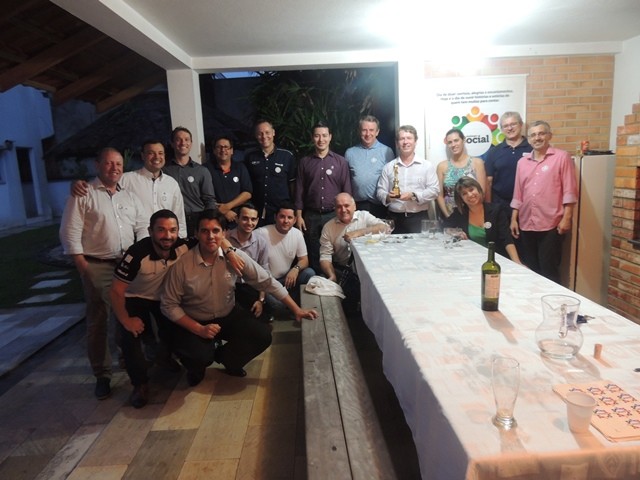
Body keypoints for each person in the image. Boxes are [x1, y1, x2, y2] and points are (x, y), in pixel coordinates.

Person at [160, 209, 318, 385]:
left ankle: (227, 360)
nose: (210, 236)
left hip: (226, 313)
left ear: (224, 234)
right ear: (196, 233)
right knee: (199, 356)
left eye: (216, 231)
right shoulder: (182, 266)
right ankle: (197, 367)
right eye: (204, 231)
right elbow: (168, 305)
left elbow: (266, 281)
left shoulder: (235, 257)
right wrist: (199, 329)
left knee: (262, 334)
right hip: (196, 319)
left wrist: (296, 309)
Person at [59, 147, 147, 400]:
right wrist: (83, 266)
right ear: (97, 165)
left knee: (126, 316)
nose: (114, 168)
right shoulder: (83, 193)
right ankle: (102, 374)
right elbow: (69, 232)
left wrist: (140, 253)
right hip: (97, 264)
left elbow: (142, 225)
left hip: (126, 265)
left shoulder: (128, 196)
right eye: (109, 163)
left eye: (118, 164)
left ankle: (128, 362)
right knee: (99, 321)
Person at [110, 209, 193, 408]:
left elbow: (213, 237)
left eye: (173, 230)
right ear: (150, 231)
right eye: (161, 230)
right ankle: (139, 384)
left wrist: (230, 252)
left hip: (163, 297)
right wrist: (126, 320)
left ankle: (164, 358)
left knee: (174, 328)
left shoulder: (183, 246)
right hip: (134, 297)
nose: (168, 235)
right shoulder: (136, 254)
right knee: (131, 336)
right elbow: (115, 291)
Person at [71, 139, 188, 238]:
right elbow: (102, 183)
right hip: (137, 241)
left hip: (166, 241)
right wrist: (76, 184)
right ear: (143, 156)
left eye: (160, 153)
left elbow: (179, 217)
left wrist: (181, 242)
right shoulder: (126, 179)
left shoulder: (171, 183)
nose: (157, 157)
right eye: (151, 153)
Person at [510, 121, 578, 283]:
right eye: (533, 135)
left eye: (541, 133)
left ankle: (551, 299)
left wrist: (567, 218)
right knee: (531, 269)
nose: (537, 138)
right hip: (526, 223)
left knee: (549, 270)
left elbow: (569, 190)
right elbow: (518, 193)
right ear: (528, 139)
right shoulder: (522, 163)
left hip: (551, 224)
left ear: (549, 136)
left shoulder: (561, 157)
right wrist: (514, 219)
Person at [295, 122, 352, 272]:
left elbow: (346, 191)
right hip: (311, 216)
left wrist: (347, 216)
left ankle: (335, 282)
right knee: (314, 253)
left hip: (334, 215)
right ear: (312, 138)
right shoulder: (304, 162)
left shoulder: (340, 162)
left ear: (330, 137)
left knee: (336, 252)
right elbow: (299, 191)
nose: (321, 139)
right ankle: (317, 282)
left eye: (324, 135)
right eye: (317, 136)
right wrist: (299, 216)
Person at [319, 192, 386, 309]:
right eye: (339, 207)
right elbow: (325, 257)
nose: (343, 210)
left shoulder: (364, 216)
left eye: (346, 205)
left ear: (354, 206)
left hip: (369, 269)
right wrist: (332, 275)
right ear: (334, 209)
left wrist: (358, 233)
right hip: (344, 271)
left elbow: (384, 227)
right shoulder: (328, 227)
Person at [376, 125, 439, 234]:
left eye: (409, 138)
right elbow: (380, 191)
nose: (405, 142)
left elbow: (435, 191)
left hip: (419, 218)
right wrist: (388, 197)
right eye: (402, 139)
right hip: (394, 219)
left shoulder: (426, 166)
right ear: (397, 143)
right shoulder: (388, 167)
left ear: (415, 141)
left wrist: (414, 196)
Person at [443, 177, 522, 263]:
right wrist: (455, 232)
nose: (470, 195)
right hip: (471, 259)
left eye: (471, 190)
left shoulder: (496, 210)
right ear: (461, 198)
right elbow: (443, 226)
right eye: (464, 193)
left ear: (478, 189)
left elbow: (506, 239)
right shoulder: (460, 213)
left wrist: (517, 262)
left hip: (496, 259)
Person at [256, 202, 315, 304]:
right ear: (275, 217)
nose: (286, 221)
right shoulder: (261, 233)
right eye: (282, 217)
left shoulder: (297, 234)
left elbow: (304, 260)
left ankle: (289, 302)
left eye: (289, 218)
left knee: (309, 273)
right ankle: (288, 303)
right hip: (268, 282)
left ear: (295, 220)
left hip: (286, 279)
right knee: (277, 305)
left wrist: (295, 269)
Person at [163, 126, 217, 236]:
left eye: (186, 139)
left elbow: (209, 200)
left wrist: (209, 221)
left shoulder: (202, 171)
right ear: (172, 143)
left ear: (191, 143)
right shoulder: (164, 171)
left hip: (197, 218)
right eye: (178, 139)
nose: (183, 143)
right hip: (172, 219)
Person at [243, 119, 297, 225]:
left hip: (281, 213)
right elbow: (247, 184)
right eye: (260, 133)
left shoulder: (287, 156)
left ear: (273, 133)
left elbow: (292, 184)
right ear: (256, 136)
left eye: (267, 132)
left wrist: (293, 208)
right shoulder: (250, 157)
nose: (264, 136)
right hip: (256, 212)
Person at [226, 203, 272, 323]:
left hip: (250, 287)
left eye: (253, 219)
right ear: (237, 219)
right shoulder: (225, 238)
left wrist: (261, 300)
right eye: (245, 218)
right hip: (228, 287)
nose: (249, 223)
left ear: (257, 221)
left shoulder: (261, 242)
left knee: (257, 322)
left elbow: (264, 273)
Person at [345, 115, 395, 219]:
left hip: (379, 206)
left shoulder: (387, 151)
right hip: (357, 207)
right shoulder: (350, 153)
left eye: (371, 130)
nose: (368, 134)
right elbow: (346, 180)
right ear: (359, 131)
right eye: (364, 130)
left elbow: (392, 179)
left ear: (377, 132)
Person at [436, 129, 487, 218]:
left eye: (456, 140)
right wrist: (448, 217)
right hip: (450, 214)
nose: (453, 145)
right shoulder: (442, 166)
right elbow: (439, 195)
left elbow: (481, 192)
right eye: (450, 142)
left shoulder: (477, 163)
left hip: (473, 214)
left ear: (463, 140)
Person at [484, 112, 532, 207]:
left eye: (513, 124)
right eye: (505, 126)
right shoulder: (494, 151)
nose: (510, 128)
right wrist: (489, 207)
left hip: (527, 203)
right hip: (500, 205)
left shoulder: (532, 149)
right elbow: (488, 182)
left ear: (521, 125)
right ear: (502, 129)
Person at [205, 136, 252, 226]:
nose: (223, 150)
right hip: (214, 219)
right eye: (219, 147)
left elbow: (247, 193)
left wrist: (227, 207)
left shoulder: (240, 167)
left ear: (232, 151)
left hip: (237, 219)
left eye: (226, 147)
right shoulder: (206, 169)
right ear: (214, 151)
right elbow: (204, 196)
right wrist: (223, 211)